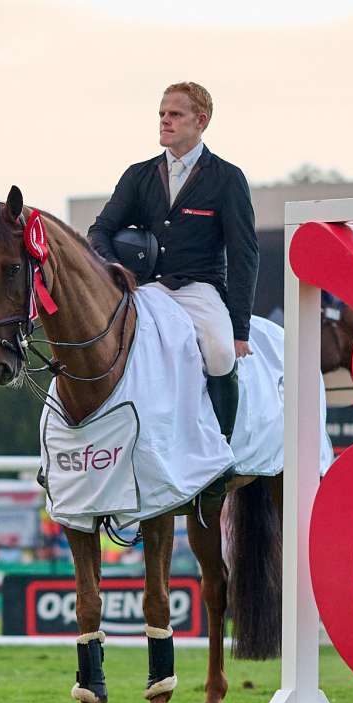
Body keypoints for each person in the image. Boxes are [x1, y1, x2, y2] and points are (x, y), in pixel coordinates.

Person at [87, 81, 258, 442]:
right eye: (162, 114)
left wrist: (240, 329)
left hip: (198, 289)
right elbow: (100, 230)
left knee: (220, 352)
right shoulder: (138, 174)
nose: (165, 121)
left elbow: (244, 254)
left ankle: (222, 448)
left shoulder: (227, 178)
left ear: (201, 120)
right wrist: (115, 270)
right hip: (145, 289)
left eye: (175, 114)